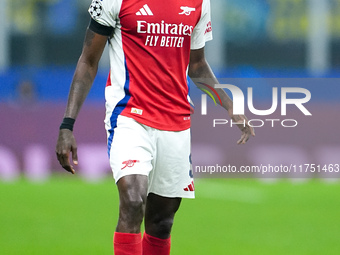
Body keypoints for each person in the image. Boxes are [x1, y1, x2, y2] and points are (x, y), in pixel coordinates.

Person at [56, 0, 255, 254]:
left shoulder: (199, 3)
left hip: (176, 121)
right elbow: (88, 61)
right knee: (133, 200)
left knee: (162, 222)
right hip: (129, 117)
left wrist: (228, 105)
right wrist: (67, 125)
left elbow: (197, 65)